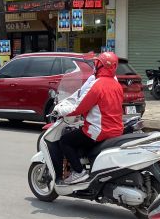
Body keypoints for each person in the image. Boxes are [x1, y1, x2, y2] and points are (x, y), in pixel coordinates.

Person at [52, 52, 123, 184]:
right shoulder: (116, 85)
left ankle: (79, 172)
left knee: (65, 141)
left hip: (99, 131)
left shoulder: (97, 84)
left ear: (100, 66)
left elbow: (78, 107)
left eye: (96, 64)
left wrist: (60, 110)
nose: (94, 66)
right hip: (116, 130)